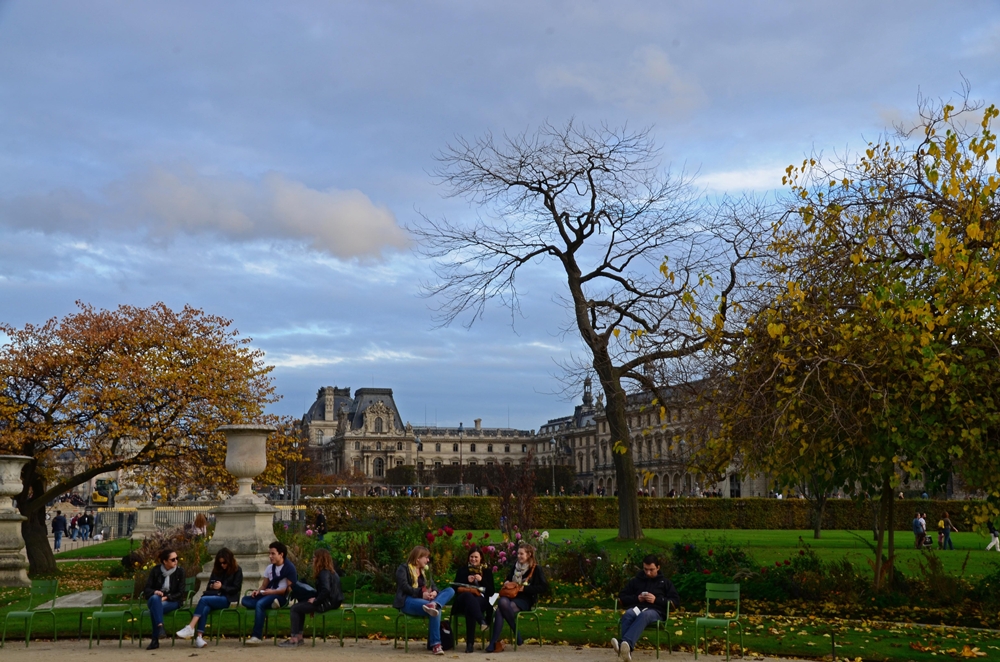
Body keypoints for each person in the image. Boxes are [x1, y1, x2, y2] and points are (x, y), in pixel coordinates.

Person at [611, 554, 680, 662]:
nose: (648, 573)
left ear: (658, 567)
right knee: (628, 614)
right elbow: (622, 598)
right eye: (645, 569)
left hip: (656, 611)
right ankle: (626, 652)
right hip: (638, 607)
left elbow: (675, 602)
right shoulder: (636, 581)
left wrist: (656, 600)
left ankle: (624, 644)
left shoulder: (665, 583)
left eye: (651, 570)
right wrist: (637, 598)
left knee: (645, 615)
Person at [486, 544, 548, 653]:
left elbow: (543, 587)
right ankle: (515, 632)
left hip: (525, 598)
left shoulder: (535, 568)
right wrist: (506, 582)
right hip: (511, 596)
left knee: (501, 609)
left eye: (521, 554)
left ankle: (493, 643)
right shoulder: (515, 567)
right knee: (502, 604)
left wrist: (525, 589)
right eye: (518, 554)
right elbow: (508, 579)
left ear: (529, 555)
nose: (519, 556)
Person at [394, 545, 456, 655]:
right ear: (418, 558)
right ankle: (436, 644)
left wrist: (434, 593)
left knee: (450, 590)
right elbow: (404, 586)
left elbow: (434, 586)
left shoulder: (425, 571)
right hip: (408, 601)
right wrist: (421, 594)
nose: (428, 560)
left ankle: (434, 603)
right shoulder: (403, 568)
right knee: (436, 611)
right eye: (426, 557)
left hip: (426, 602)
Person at [177, 548, 243, 647]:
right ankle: (199, 637)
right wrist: (213, 586)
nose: (222, 565)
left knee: (203, 600)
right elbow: (209, 585)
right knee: (204, 608)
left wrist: (222, 587)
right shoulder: (217, 569)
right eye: (220, 563)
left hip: (226, 598)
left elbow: (235, 588)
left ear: (229, 560)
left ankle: (190, 627)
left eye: (224, 563)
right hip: (213, 596)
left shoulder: (237, 570)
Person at [279, 548, 343, 647]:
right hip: (332, 602)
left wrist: (316, 601)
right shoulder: (330, 572)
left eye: (314, 557)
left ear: (319, 559)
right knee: (300, 607)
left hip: (326, 603)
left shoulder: (323, 573)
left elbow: (326, 590)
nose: (312, 559)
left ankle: (294, 639)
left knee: (295, 608)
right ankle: (299, 637)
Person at [241, 541, 298, 645]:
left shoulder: (289, 568)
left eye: (273, 554)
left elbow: (290, 589)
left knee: (260, 604)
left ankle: (256, 636)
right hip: (268, 594)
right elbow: (264, 585)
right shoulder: (269, 568)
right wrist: (257, 591)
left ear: (281, 554)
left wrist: (273, 592)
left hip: (280, 596)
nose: (270, 556)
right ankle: (271, 605)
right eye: (269, 554)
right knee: (245, 600)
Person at [450, 546, 495, 652]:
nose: (473, 559)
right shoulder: (462, 570)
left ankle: (469, 645)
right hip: (462, 601)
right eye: (471, 557)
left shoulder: (486, 571)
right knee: (468, 596)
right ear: (468, 558)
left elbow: (491, 591)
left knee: (470, 607)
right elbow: (455, 588)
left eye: (476, 557)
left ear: (481, 558)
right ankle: (481, 621)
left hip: (480, 601)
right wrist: (466, 580)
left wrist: (482, 580)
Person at [142, 548, 186, 650]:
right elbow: (147, 588)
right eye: (173, 559)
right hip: (156, 599)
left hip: (172, 601)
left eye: (177, 558)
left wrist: (167, 597)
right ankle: (160, 627)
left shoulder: (180, 572)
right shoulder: (156, 570)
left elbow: (180, 592)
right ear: (165, 561)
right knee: (155, 599)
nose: (176, 561)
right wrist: (155, 592)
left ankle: (155, 639)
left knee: (155, 608)